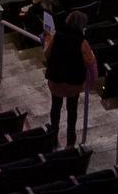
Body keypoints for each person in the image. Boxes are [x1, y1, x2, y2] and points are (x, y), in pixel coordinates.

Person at [41, 10, 97, 147]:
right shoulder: (82, 43)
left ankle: (53, 136)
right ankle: (71, 139)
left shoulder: (57, 35)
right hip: (73, 83)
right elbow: (90, 62)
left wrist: (47, 39)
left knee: (55, 107)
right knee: (72, 110)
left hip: (56, 80)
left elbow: (47, 55)